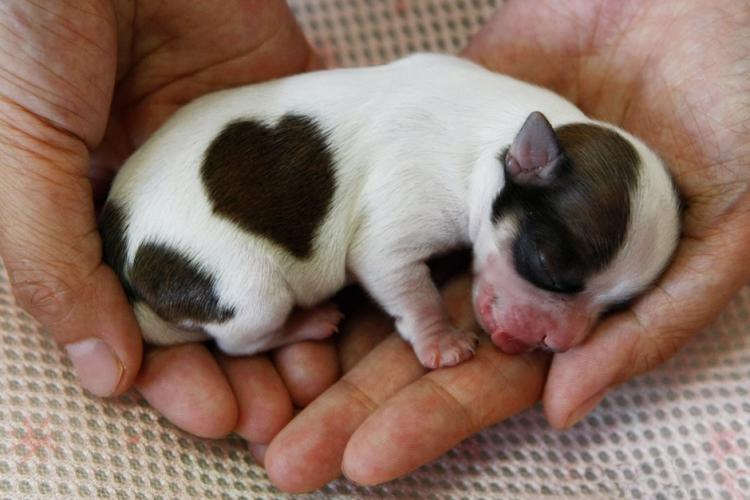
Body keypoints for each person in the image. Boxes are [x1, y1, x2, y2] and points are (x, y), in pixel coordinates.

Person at [0, 0, 747, 493]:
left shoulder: (476, 105)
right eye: (552, 273)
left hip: (168, 193)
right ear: (522, 163)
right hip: (186, 260)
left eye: (607, 301)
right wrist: (428, 327)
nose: (568, 332)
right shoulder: (430, 163)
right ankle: (255, 329)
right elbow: (379, 254)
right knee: (258, 298)